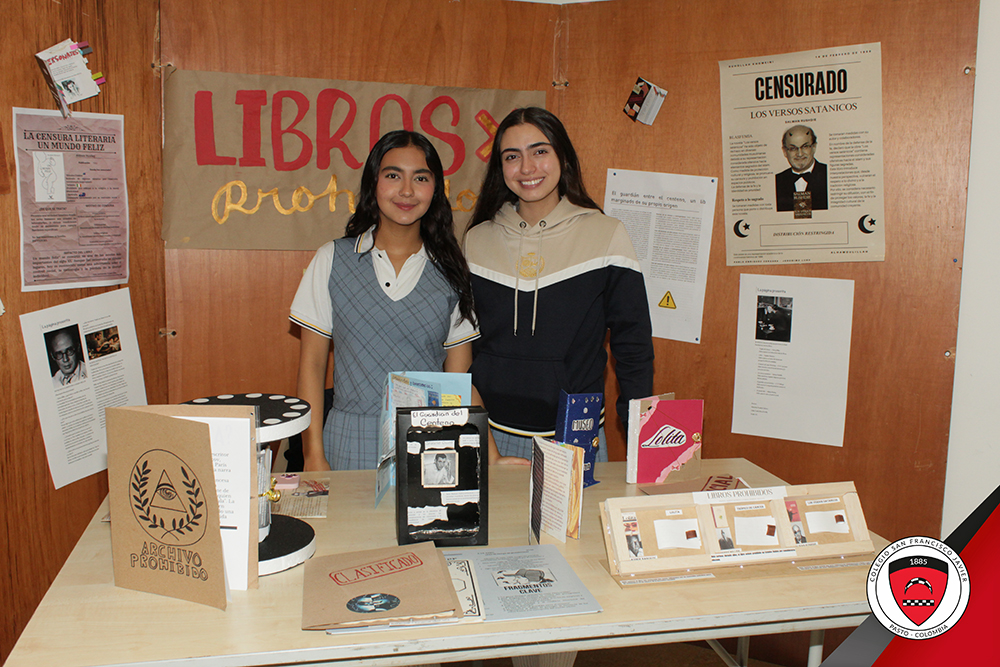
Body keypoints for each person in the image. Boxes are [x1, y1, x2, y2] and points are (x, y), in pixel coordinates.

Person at [290, 130, 490, 471]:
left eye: (421, 178)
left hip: (429, 444)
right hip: (348, 438)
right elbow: (312, 364)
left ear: (435, 189)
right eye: (393, 175)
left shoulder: (452, 271)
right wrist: (313, 455)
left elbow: (459, 383)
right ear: (373, 183)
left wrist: (491, 453)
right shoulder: (333, 259)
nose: (407, 190)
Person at [464, 107, 654, 461]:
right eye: (512, 156)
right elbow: (461, 347)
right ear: (500, 167)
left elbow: (634, 346)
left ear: (562, 157)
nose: (527, 168)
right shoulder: (476, 239)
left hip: (574, 433)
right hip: (490, 436)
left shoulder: (606, 234)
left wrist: (639, 435)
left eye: (539, 151)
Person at [775, 124, 828, 212]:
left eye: (805, 147)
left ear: (814, 147)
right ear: (784, 151)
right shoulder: (777, 180)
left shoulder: (829, 175)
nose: (799, 154)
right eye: (793, 148)